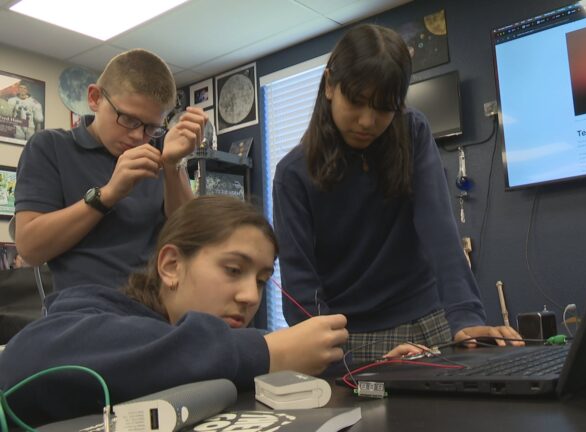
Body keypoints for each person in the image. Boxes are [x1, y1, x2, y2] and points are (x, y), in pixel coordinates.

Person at [273, 24, 523, 364]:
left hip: (430, 319)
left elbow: (439, 229)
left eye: (384, 108)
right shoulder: (293, 175)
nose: (367, 121)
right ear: (330, 85)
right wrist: (331, 359)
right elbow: (301, 285)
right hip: (350, 337)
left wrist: (466, 317)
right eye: (357, 102)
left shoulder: (412, 130)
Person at [0, 196, 352, 424]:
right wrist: (265, 352)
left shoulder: (215, 344)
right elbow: (25, 358)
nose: (250, 296)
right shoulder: (92, 311)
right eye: (233, 270)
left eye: (261, 280)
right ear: (170, 266)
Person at [13, 49, 205, 291]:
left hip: (157, 309)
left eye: (151, 127)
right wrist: (108, 195)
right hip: (86, 311)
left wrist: (172, 165)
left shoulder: (161, 151)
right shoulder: (50, 147)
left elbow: (191, 240)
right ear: (95, 98)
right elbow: (30, 250)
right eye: (128, 119)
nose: (138, 136)